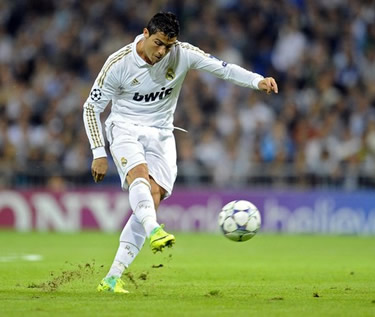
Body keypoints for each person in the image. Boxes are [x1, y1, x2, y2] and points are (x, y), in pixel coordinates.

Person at [82, 12, 278, 293]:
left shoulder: (182, 54)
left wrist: (257, 80)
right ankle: (154, 229)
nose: (162, 52)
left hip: (162, 132)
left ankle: (112, 278)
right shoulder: (118, 63)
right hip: (125, 127)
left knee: (153, 196)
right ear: (146, 34)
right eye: (159, 43)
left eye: (169, 46)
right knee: (139, 176)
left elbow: (222, 68)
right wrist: (98, 151)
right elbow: (91, 107)